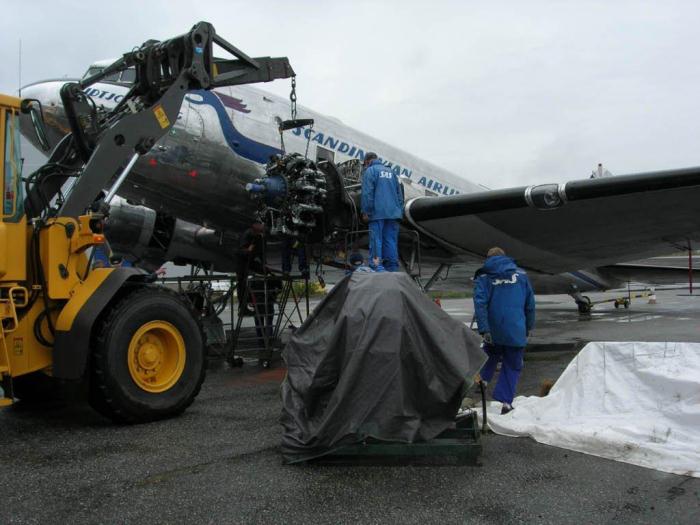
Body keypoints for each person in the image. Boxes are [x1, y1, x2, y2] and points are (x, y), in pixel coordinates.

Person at [473, 247, 536, 414]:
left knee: (490, 354)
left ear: (488, 259)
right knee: (512, 365)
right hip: (516, 328)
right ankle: (506, 403)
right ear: (504, 257)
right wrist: (529, 327)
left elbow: (480, 304)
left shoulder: (484, 276)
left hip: (494, 329)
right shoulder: (521, 275)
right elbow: (530, 304)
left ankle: (482, 382)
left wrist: (484, 329)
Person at [360, 152, 403, 272]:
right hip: (393, 214)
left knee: (376, 239)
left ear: (368, 161)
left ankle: (376, 265)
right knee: (390, 240)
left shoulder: (371, 171)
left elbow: (367, 193)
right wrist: (398, 211)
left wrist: (366, 211)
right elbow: (400, 195)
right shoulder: (392, 172)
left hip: (377, 213)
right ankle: (392, 267)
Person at [235, 221, 266, 315]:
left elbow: (261, 252)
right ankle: (243, 308)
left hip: (250, 260)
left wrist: (264, 264)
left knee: (265, 272)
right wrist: (248, 250)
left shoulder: (260, 237)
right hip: (242, 261)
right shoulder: (248, 234)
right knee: (242, 283)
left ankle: (258, 301)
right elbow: (241, 250)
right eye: (259, 224)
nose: (262, 226)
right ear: (254, 225)